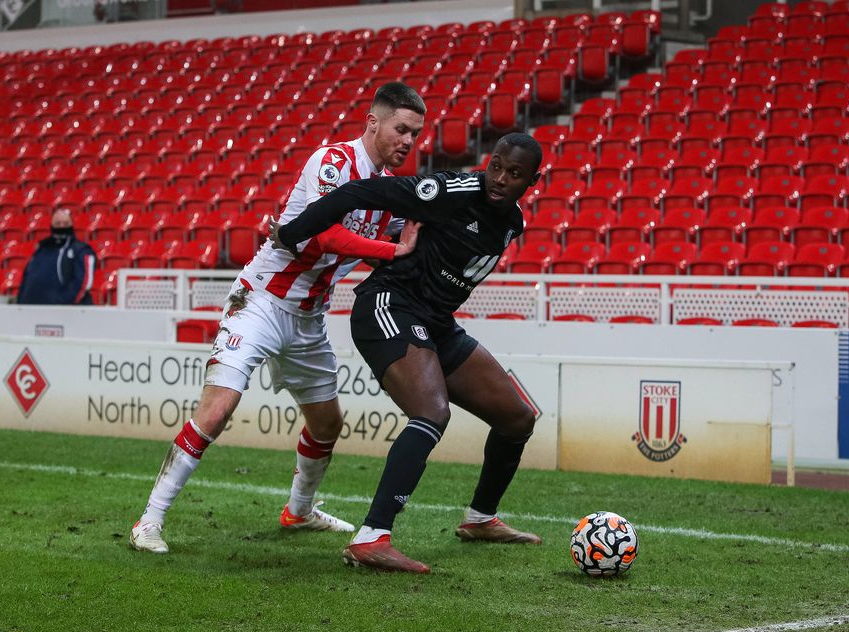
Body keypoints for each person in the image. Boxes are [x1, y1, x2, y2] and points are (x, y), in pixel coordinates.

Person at [129, 82, 427, 554]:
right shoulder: (333, 162)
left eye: (416, 134)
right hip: (261, 302)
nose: (409, 142)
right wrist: (393, 249)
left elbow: (398, 243)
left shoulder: (389, 192)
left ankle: (299, 511)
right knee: (218, 410)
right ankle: (149, 520)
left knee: (327, 425)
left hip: (309, 318)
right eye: (401, 129)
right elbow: (326, 234)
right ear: (373, 122)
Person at [275, 132, 545, 573]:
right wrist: (293, 232)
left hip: (435, 322)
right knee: (432, 413)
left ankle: (480, 519)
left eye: (514, 174)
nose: (499, 179)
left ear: (532, 181)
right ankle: (371, 538)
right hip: (389, 304)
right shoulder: (449, 191)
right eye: (495, 165)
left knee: (518, 418)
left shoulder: (512, 221)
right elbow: (363, 191)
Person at [17, 207, 97, 305]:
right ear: (51, 225)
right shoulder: (41, 249)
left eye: (65, 223)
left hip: (65, 314)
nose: (61, 226)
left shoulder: (81, 250)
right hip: (31, 311)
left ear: (72, 225)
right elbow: (26, 279)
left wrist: (61, 303)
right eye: (57, 223)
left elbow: (83, 283)